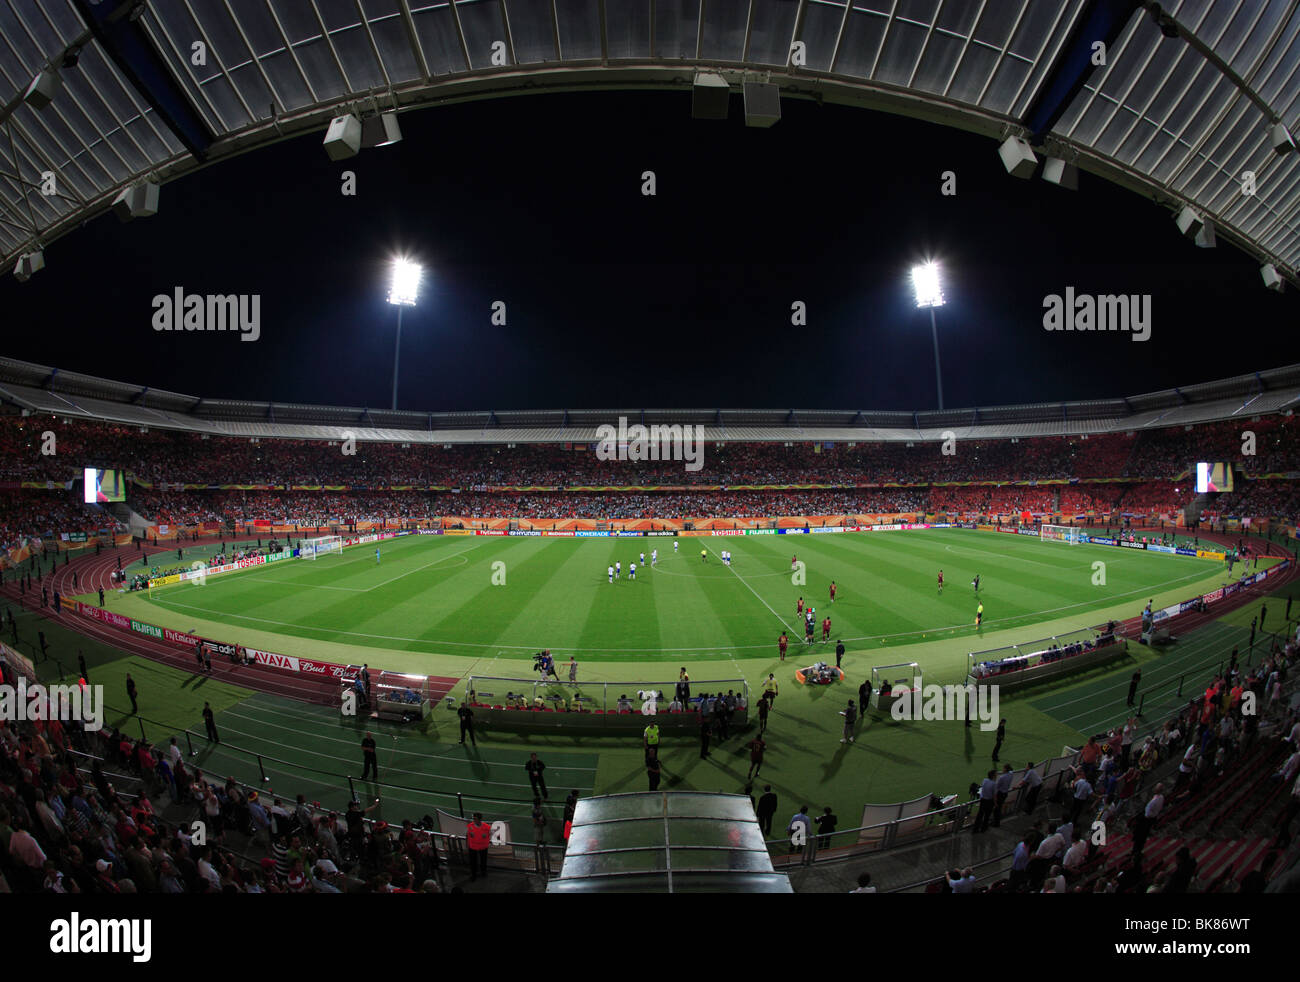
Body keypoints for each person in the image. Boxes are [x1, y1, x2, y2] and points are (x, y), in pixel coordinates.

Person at [466, 813, 491, 880]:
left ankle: (483, 873)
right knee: (473, 862)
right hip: (472, 847)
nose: (473, 820)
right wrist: (467, 845)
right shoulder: (470, 826)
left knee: (483, 861)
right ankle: (473, 874)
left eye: (475, 818)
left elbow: (491, 833)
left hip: (483, 847)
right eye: (473, 818)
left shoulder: (487, 827)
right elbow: (467, 835)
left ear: (480, 819)